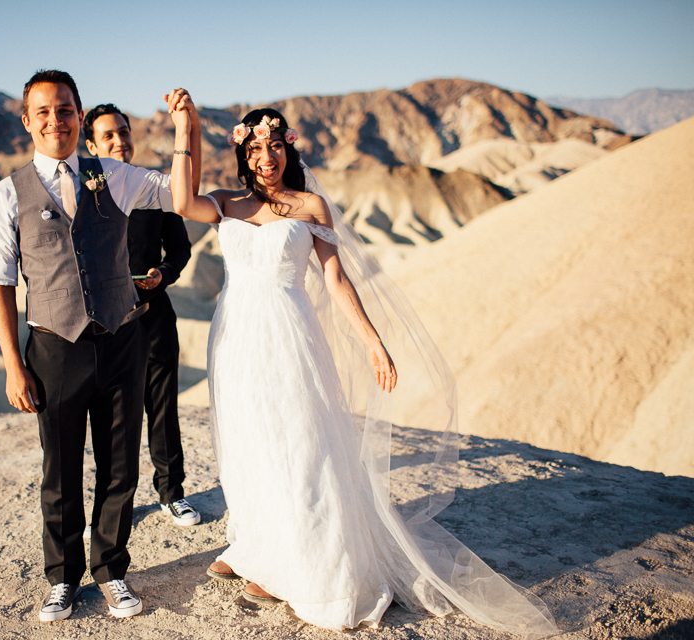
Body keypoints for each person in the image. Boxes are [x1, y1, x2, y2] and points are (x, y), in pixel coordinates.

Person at [164, 96, 558, 637]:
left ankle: (299, 562)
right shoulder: (227, 203)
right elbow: (182, 201)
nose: (265, 158)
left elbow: (336, 281)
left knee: (302, 445)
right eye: (255, 149)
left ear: (288, 149)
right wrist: (185, 126)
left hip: (290, 338)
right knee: (248, 441)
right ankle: (257, 544)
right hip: (234, 341)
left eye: (274, 146)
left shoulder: (311, 208)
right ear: (243, 155)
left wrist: (372, 342)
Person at [0, 70, 200, 623]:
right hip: (55, 348)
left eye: (66, 110)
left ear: (80, 116)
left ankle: (112, 571)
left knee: (119, 466)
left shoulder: (116, 176)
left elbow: (179, 195)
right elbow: (0, 283)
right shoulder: (7, 195)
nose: (57, 120)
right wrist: (13, 364)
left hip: (122, 340)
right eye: (45, 112)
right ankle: (62, 579)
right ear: (27, 122)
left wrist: (184, 129)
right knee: (60, 473)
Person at [82, 104, 200, 530]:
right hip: (105, 326)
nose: (120, 142)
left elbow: (181, 250)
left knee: (162, 408)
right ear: (91, 146)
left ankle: (172, 493)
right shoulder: (82, 192)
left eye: (124, 133)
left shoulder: (154, 188)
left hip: (153, 315)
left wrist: (162, 275)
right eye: (108, 136)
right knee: (115, 418)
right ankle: (119, 504)